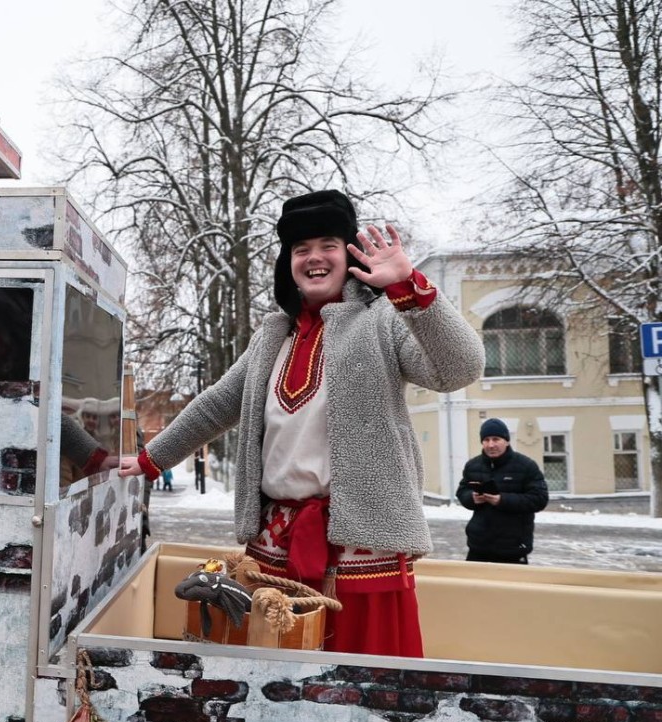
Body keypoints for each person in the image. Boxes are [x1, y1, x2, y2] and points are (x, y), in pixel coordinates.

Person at [119, 189, 485, 657]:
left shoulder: (384, 321)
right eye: (300, 249)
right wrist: (151, 460)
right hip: (275, 546)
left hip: (362, 548)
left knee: (362, 685)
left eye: (327, 245)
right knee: (274, 678)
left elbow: (460, 369)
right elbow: (216, 405)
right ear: (287, 262)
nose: (314, 258)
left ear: (349, 252)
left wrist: (409, 287)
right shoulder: (273, 336)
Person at [456, 418, 549, 564]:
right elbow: (462, 492)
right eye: (486, 440)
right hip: (478, 546)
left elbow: (539, 499)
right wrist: (471, 498)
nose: (491, 444)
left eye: (496, 439)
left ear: (506, 441)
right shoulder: (473, 465)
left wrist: (502, 500)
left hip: (512, 548)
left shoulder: (526, 466)